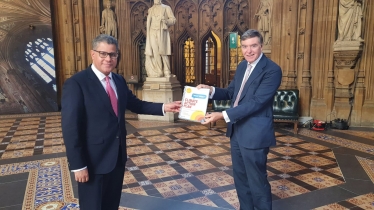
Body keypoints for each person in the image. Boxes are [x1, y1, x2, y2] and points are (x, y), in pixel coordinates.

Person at [61, 34, 181, 210]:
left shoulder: (118, 80)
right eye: (103, 54)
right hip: (92, 162)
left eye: (113, 54)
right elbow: (71, 128)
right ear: (92, 54)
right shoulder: (76, 84)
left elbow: (137, 105)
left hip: (116, 159)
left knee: (111, 205)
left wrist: (165, 107)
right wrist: (78, 165)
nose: (108, 59)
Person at [197, 29, 282, 210]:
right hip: (237, 131)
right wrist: (209, 90)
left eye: (253, 46)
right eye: (244, 46)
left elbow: (257, 102)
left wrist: (223, 115)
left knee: (257, 181)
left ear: (261, 46)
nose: (248, 50)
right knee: (241, 179)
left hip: (255, 133)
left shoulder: (272, 70)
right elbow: (230, 93)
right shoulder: (243, 66)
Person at [145, 0, 176, 78]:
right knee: (155, 52)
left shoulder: (166, 8)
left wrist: (166, 21)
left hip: (161, 31)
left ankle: (167, 71)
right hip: (152, 31)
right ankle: (159, 71)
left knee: (163, 52)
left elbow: (173, 20)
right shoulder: (150, 9)